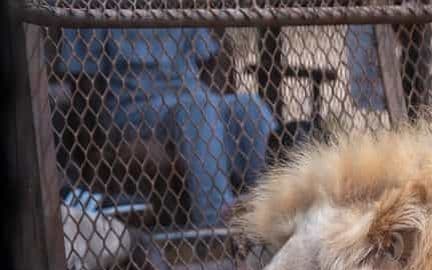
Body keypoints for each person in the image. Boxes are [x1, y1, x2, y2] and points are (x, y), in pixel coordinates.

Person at [58, 28, 277, 227]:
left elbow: (207, 58)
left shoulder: (174, 5)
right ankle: (218, 223)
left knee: (249, 106)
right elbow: (82, 81)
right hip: (135, 107)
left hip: (192, 96)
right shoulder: (93, 7)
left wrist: (213, 102)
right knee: (198, 109)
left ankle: (277, 208)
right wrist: (97, 139)